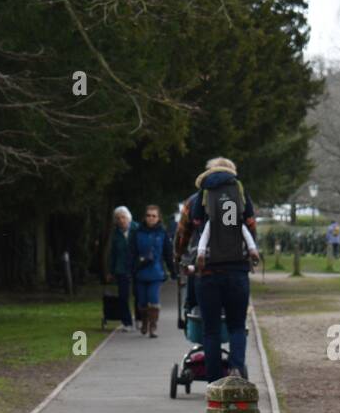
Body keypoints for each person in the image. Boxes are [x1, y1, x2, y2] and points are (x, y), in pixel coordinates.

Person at [174, 157, 259, 379]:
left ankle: (214, 381)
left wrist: (179, 256)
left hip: (207, 272)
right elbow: (251, 227)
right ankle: (235, 370)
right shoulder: (241, 195)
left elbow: (182, 234)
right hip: (237, 271)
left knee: (210, 329)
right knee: (237, 326)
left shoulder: (195, 200)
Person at [132, 207, 168, 338]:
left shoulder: (162, 233)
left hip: (156, 271)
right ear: (144, 217)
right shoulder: (137, 232)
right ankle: (145, 321)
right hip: (140, 271)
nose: (151, 218)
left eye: (154, 216)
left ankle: (153, 326)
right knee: (142, 300)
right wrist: (131, 268)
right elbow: (132, 252)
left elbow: (167, 253)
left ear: (158, 218)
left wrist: (173, 270)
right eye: (148, 215)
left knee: (153, 299)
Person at [102, 207, 136, 332]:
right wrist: (110, 271)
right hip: (121, 269)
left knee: (139, 296)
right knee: (123, 297)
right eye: (118, 218)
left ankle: (140, 319)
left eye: (123, 217)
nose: (121, 220)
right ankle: (127, 322)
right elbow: (113, 254)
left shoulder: (136, 229)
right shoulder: (116, 234)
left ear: (128, 218)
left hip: (136, 267)